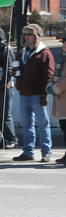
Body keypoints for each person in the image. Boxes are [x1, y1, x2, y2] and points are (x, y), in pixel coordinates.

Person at [13, 23, 55, 162]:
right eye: (25, 34)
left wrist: (45, 93)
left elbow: (48, 75)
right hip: (24, 93)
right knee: (26, 125)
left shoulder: (44, 53)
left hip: (38, 94)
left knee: (43, 124)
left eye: (29, 34)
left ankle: (46, 152)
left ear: (36, 36)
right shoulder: (21, 52)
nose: (26, 37)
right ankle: (28, 151)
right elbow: (17, 71)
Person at [47, 36, 66, 164]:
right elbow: (56, 75)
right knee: (64, 127)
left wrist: (55, 88)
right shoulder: (62, 57)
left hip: (62, 95)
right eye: (64, 42)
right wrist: (49, 86)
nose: (64, 44)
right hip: (61, 98)